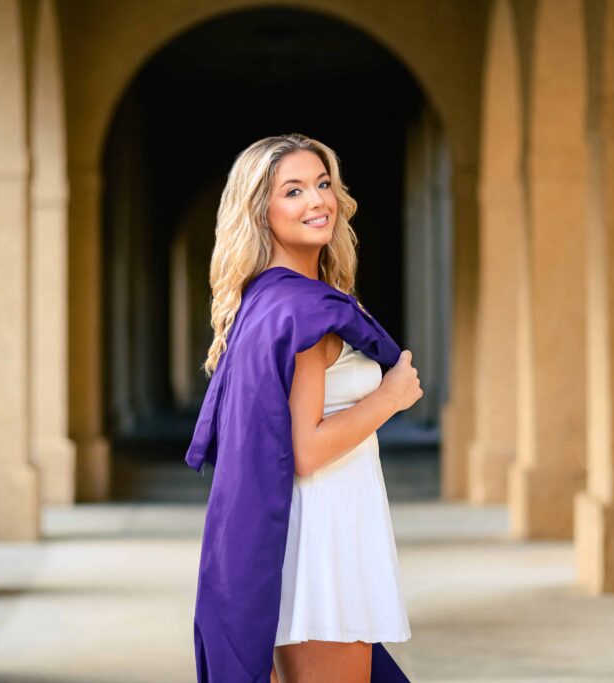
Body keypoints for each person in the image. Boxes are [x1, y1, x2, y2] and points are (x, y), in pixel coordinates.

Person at [191, 133, 423, 682]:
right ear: (260, 212)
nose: (317, 201)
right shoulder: (302, 309)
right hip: (324, 542)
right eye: (292, 191)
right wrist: (391, 397)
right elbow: (307, 449)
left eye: (323, 185)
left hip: (312, 532)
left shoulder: (268, 301)